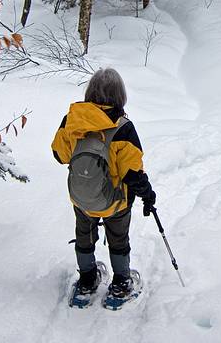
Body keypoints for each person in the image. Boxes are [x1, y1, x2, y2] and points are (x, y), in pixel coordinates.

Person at [51, 68, 156, 300]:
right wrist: (148, 195)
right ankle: (120, 284)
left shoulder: (72, 120)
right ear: (120, 95)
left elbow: (60, 155)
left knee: (84, 235)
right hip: (116, 202)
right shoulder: (123, 127)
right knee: (118, 239)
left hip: (81, 199)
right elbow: (133, 173)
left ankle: (87, 281)